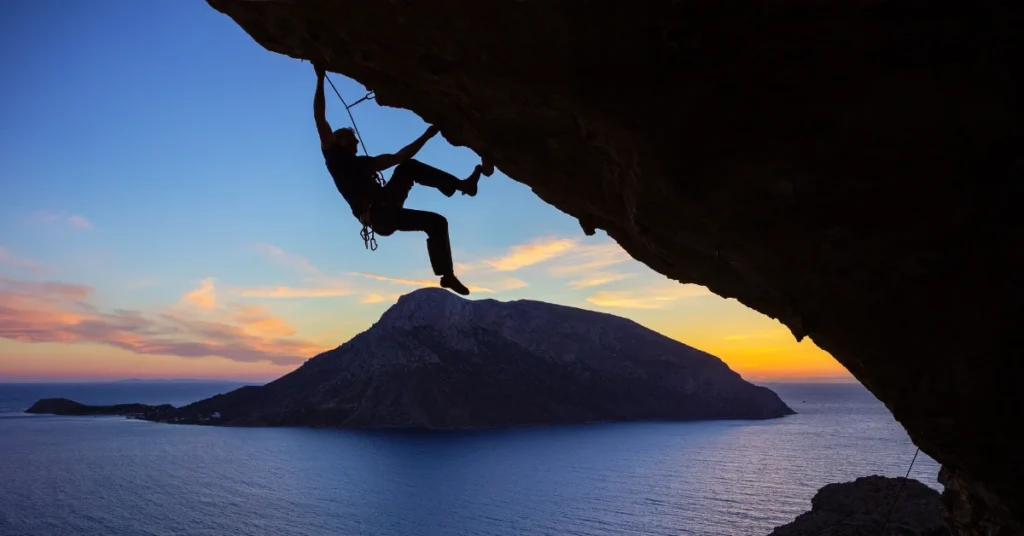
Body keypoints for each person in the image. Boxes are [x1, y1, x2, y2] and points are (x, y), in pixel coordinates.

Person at [312, 64, 492, 296]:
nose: (357, 143)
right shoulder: (334, 157)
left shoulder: (365, 163)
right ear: (341, 141)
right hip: (379, 213)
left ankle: (447, 275)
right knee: (408, 169)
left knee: (437, 221)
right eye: (352, 140)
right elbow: (320, 118)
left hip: (386, 212)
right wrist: (320, 79)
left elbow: (400, 157)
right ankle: (462, 186)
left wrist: (427, 135)